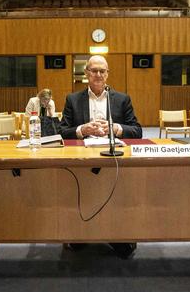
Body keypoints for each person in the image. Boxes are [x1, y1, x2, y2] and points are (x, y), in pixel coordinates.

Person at [59, 55, 142, 259]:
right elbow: (62, 132)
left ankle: (117, 234)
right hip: (83, 161)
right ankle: (82, 232)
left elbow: (137, 130)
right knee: (86, 195)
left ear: (107, 74)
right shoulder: (73, 99)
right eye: (93, 70)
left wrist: (116, 128)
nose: (98, 74)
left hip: (114, 159)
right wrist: (82, 129)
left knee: (115, 196)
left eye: (102, 71)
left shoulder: (122, 99)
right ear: (86, 73)